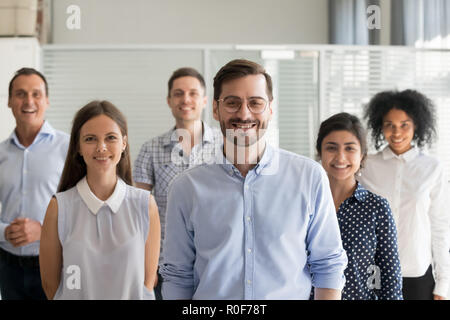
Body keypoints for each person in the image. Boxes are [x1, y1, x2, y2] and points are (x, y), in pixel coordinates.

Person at [160, 59, 347, 300]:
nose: (244, 113)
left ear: (270, 108)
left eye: (255, 103)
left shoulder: (309, 177)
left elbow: (328, 265)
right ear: (215, 109)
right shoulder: (186, 188)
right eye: (232, 103)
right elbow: (177, 276)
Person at [39, 100, 160, 300]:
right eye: (90, 139)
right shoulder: (59, 207)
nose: (101, 147)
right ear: (77, 146)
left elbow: (146, 285)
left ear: (123, 143)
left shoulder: (145, 205)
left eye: (110, 137)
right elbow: (51, 287)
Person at [133, 67, 222, 299]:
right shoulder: (150, 149)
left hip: (216, 262)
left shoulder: (227, 147)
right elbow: (139, 213)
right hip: (167, 265)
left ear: (204, 100)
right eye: (178, 93)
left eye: (193, 93)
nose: (186, 99)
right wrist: (145, 264)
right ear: (169, 100)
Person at [359, 89, 450, 300]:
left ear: (416, 125)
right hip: (375, 272)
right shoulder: (366, 165)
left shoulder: (432, 167)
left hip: (417, 273)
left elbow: (440, 225)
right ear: (380, 126)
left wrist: (444, 283)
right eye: (389, 125)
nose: (396, 132)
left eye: (404, 125)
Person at [316, 112, 402, 300]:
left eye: (350, 149)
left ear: (362, 155)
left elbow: (391, 279)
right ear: (320, 152)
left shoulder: (377, 208)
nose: (340, 157)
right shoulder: (305, 203)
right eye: (331, 148)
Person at [0, 68, 69, 300]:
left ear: (47, 100)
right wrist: (5, 231)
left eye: (36, 94)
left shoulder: (68, 148)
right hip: (7, 267)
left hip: (54, 262)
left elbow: (82, 210)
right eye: (20, 94)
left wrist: (44, 230)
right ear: (9, 101)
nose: (29, 101)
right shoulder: (0, 153)